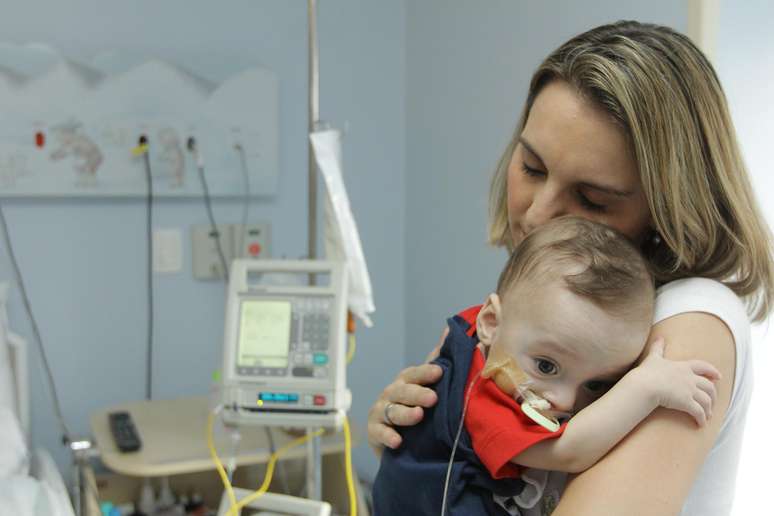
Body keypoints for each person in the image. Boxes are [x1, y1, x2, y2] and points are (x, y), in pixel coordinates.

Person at [368, 20, 774, 515]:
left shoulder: (693, 315)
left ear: (667, 209)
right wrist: (419, 444)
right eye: (532, 168)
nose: (537, 215)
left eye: (592, 199)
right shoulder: (541, 306)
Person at [371, 217, 720, 515]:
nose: (565, 402)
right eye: (547, 367)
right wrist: (644, 388)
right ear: (491, 322)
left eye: (597, 386)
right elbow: (568, 452)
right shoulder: (483, 398)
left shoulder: (490, 332)